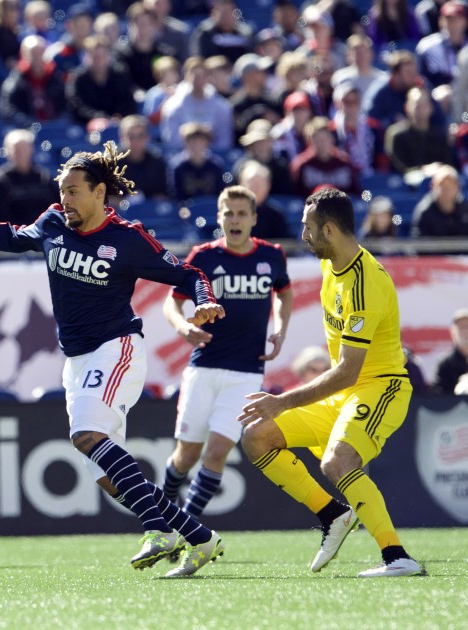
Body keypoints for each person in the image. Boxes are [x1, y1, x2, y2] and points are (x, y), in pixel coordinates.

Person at [0, 141, 227, 578]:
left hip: (116, 348)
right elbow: (11, 237)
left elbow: (188, 273)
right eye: (62, 190)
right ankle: (200, 538)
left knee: (88, 435)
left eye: (73, 191)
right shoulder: (54, 222)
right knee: (108, 477)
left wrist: (204, 300)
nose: (65, 200)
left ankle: (159, 531)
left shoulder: (128, 239)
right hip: (76, 361)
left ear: (99, 192)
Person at [237, 187, 423, 578]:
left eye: (308, 228)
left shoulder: (364, 282)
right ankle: (333, 514)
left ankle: (397, 557)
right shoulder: (330, 265)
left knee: (337, 461)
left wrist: (282, 401)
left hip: (381, 386)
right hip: (346, 392)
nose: (303, 234)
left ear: (330, 231)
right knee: (257, 435)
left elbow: (348, 371)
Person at [161, 185, 293, 520]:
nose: (235, 220)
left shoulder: (272, 255)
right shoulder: (203, 257)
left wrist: (280, 329)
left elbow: (284, 293)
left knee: (218, 451)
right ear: (219, 217)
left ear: (253, 218)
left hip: (246, 371)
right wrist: (183, 328)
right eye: (228, 213)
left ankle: (186, 530)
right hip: (204, 365)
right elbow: (172, 302)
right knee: (186, 455)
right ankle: (164, 507)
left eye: (241, 214)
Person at [0, 129, 58, 225]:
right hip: (14, 234)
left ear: (32, 149)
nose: (20, 154)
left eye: (24, 149)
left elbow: (54, 208)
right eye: (15, 149)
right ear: (7, 151)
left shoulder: (44, 177)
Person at [160, 55, 233, 152]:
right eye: (194, 75)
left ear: (208, 77)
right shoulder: (173, 105)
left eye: (201, 76)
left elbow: (224, 142)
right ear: (186, 76)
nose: (197, 79)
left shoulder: (222, 107)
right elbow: (171, 140)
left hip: (213, 155)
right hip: (182, 155)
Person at [65, 34, 137, 127]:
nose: (99, 60)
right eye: (95, 56)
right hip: (86, 126)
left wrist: (118, 116)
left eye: (103, 55)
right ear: (86, 56)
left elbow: (128, 102)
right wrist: (100, 118)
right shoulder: (76, 78)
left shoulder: (120, 75)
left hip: (118, 124)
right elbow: (77, 106)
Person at [0, 35, 66, 127]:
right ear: (24, 55)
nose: (37, 56)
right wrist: (31, 124)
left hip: (54, 128)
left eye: (40, 52)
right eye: (33, 53)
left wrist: (57, 123)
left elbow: (66, 106)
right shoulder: (15, 81)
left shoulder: (55, 78)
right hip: (26, 129)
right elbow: (8, 110)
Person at [385, 87, 454, 174]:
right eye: (417, 105)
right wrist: (423, 170)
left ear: (431, 108)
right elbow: (399, 168)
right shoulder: (397, 135)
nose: (421, 110)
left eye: (424, 105)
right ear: (407, 107)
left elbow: (448, 164)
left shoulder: (440, 135)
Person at [291, 116, 361, 197]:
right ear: (309, 141)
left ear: (332, 139)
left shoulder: (344, 162)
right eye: (317, 139)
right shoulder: (301, 165)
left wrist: (368, 200)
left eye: (325, 138)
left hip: (339, 207)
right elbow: (294, 196)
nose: (322, 143)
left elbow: (358, 192)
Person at [415, 0, 468, 88]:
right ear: (441, 21)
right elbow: (420, 77)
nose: (452, 24)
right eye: (448, 19)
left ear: (465, 22)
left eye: (456, 19)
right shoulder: (427, 47)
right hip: (439, 96)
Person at [168, 122, 226, 201]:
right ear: (185, 142)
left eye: (200, 141)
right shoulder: (177, 167)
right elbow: (175, 194)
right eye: (192, 141)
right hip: (185, 210)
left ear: (207, 143)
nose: (196, 145)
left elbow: (221, 192)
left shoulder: (216, 165)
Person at [237, 160, 292, 240]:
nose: (255, 188)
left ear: (268, 186)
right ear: (241, 184)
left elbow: (284, 245)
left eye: (259, 184)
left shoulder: (276, 216)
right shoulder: (232, 212)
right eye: (251, 183)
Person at [118, 114, 169, 200]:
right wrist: (124, 203)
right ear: (122, 138)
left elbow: (163, 195)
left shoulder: (157, 162)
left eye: (140, 136)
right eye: (131, 136)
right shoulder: (111, 164)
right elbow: (107, 198)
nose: (135, 141)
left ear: (148, 137)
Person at [411, 163, 468, 236]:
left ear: (457, 188)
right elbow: (419, 242)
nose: (447, 191)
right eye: (442, 186)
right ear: (433, 187)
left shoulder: (465, 209)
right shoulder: (424, 212)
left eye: (450, 186)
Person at [189, 0, 253, 63]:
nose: (226, 16)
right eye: (223, 13)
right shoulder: (205, 33)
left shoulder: (245, 33)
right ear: (213, 14)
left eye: (229, 12)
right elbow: (200, 57)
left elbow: (250, 56)